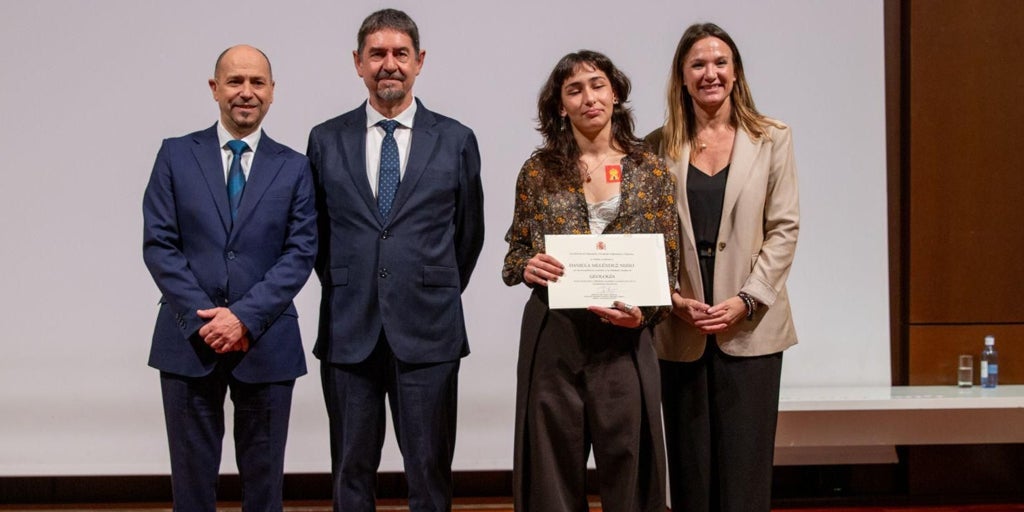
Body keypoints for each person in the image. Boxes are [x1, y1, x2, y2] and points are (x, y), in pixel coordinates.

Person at [306, 8, 485, 512]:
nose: (389, 64)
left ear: (419, 61)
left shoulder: (455, 139)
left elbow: (468, 235)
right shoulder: (326, 139)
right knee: (350, 471)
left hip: (429, 334)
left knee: (429, 473)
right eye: (377, 54)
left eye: (400, 54)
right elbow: (315, 234)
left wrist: (427, 286)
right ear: (358, 63)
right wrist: (350, 283)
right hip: (348, 329)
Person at [142, 45, 317, 511]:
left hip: (266, 341)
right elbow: (160, 244)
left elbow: (300, 253)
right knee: (192, 488)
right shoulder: (176, 155)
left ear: (272, 92)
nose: (246, 92)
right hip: (188, 341)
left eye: (257, 83)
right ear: (214, 88)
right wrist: (207, 320)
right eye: (235, 81)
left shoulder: (295, 167)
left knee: (264, 489)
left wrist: (242, 318)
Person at [502, 50, 678, 512]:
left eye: (597, 85)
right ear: (561, 106)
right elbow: (515, 251)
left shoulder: (651, 171)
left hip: (624, 341)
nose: (588, 98)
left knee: (631, 471)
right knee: (551, 473)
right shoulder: (538, 172)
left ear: (615, 93)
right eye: (574, 90)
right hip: (554, 337)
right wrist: (526, 266)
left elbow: (667, 265)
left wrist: (647, 314)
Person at [646, 22, 800, 512]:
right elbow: (645, 236)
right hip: (681, 325)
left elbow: (784, 229)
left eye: (719, 63)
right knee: (690, 473)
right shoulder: (655, 146)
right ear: (682, 77)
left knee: (745, 472)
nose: (709, 73)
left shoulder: (772, 138)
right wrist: (670, 299)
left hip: (751, 326)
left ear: (735, 73)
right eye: (698, 64)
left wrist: (746, 299)